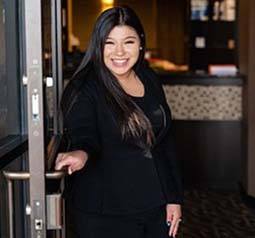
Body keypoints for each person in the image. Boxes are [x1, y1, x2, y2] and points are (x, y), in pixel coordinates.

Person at [55, 6, 183, 238]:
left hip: (155, 205)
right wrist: (81, 152)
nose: (120, 52)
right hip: (106, 211)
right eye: (110, 43)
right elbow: (84, 132)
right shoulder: (85, 86)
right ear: (98, 45)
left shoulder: (148, 77)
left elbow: (163, 144)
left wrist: (173, 198)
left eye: (129, 42)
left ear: (141, 43)